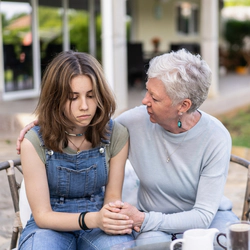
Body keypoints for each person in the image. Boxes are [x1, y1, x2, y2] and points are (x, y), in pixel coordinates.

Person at [17, 49, 239, 243]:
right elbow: (86, 122)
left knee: (225, 243)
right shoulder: (133, 122)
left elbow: (202, 215)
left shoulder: (215, 137)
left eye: (154, 97)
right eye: (147, 90)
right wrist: (45, 124)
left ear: (183, 105)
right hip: (152, 221)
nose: (144, 101)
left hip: (200, 220)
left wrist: (141, 219)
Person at [17, 50, 134, 250]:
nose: (84, 106)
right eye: (73, 97)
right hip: (49, 227)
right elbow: (43, 216)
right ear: (56, 99)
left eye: (91, 95)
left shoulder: (116, 134)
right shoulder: (34, 142)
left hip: (99, 225)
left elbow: (112, 200)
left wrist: (107, 218)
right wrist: (93, 219)